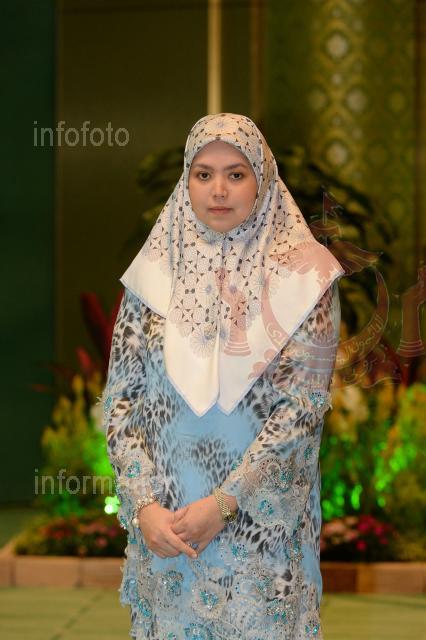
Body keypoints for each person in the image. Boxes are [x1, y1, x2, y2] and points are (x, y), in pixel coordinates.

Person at [102, 112, 345, 640]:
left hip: (260, 533)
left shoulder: (306, 276)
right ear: (186, 180)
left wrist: (224, 505)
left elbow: (300, 414)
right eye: (203, 173)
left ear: (263, 180)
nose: (218, 190)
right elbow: (121, 401)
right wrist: (143, 506)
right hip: (167, 529)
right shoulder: (153, 274)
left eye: (236, 174)